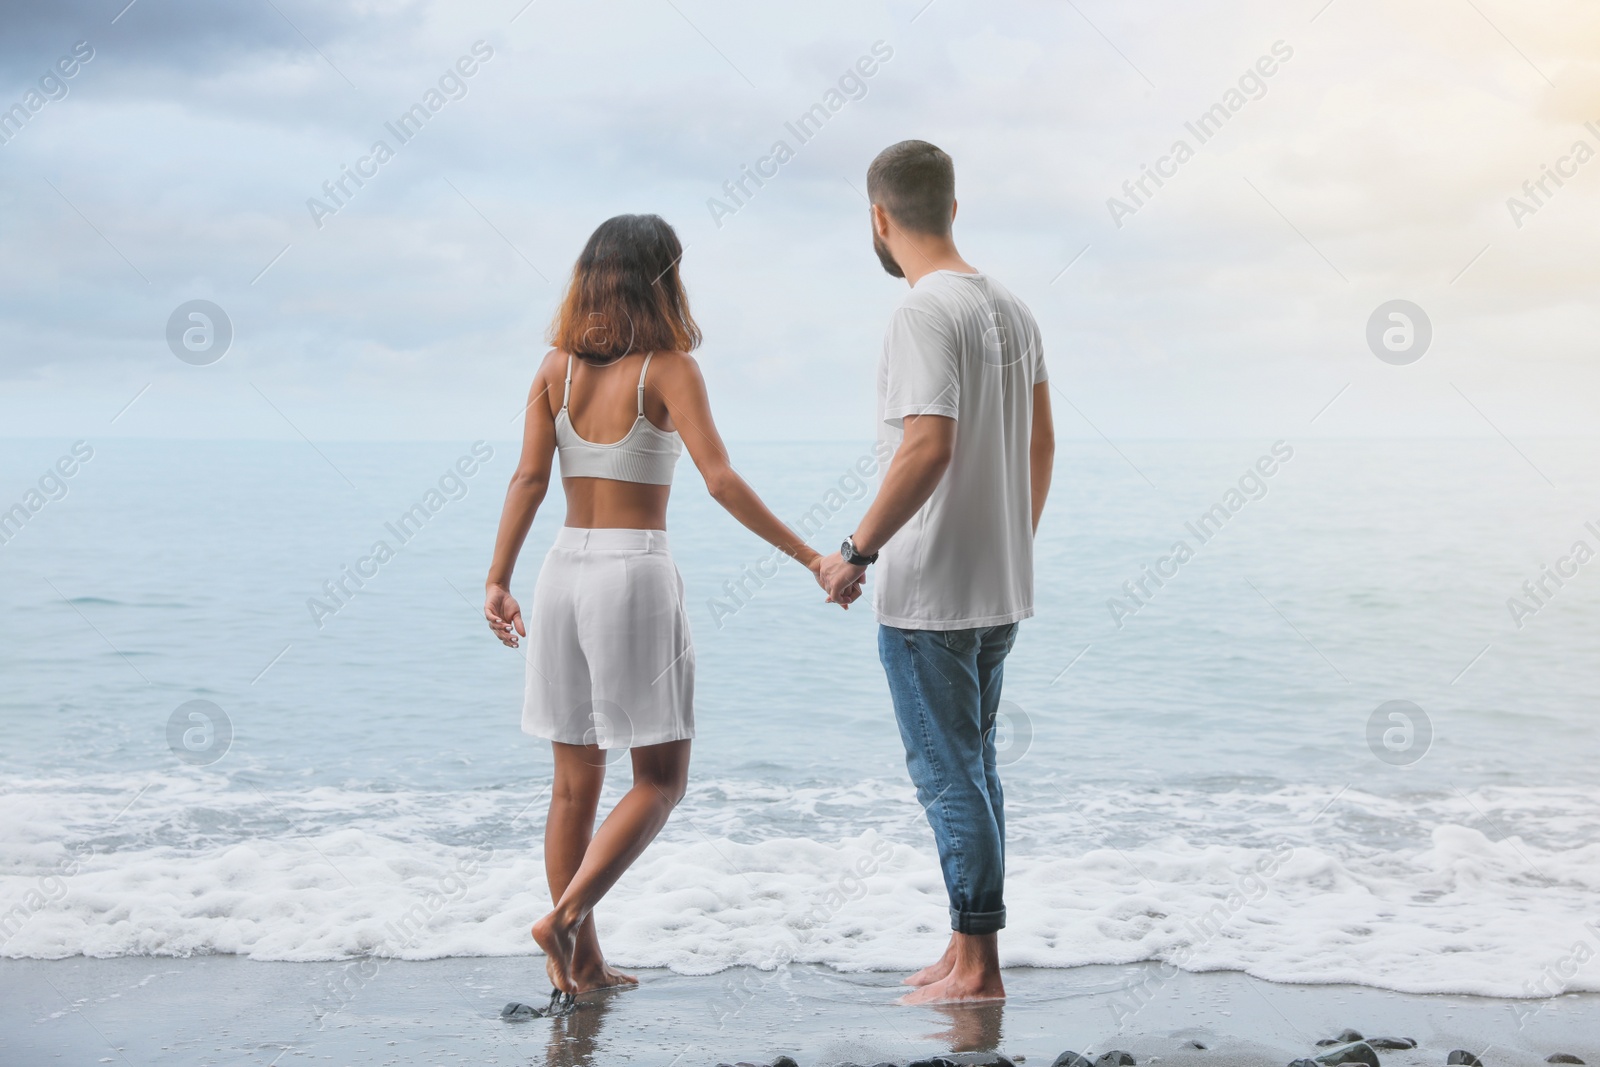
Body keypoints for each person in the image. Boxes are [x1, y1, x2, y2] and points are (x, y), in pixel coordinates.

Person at [484, 213, 825, 995]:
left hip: (560, 570)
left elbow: (529, 481)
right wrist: (809, 555)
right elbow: (721, 479)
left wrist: (496, 577)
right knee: (661, 779)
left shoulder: (553, 369)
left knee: (574, 783)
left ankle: (587, 960)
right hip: (633, 574)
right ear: (663, 280)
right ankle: (565, 918)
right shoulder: (669, 369)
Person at [819, 140, 1055, 1005]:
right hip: (996, 588)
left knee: (948, 774)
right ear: (952, 208)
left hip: (928, 593)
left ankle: (980, 971)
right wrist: (1008, 543)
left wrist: (855, 551)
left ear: (879, 219)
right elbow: (1042, 446)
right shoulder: (1014, 309)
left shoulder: (921, 313)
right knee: (977, 767)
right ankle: (965, 952)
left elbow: (927, 443)